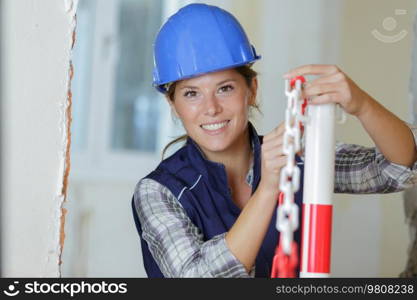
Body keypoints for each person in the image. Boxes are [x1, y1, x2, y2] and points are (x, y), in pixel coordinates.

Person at [131, 3, 417, 278]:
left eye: (225, 88)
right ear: (173, 105)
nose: (211, 108)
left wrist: (362, 106)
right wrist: (268, 188)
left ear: (251, 90)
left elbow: (398, 170)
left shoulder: (295, 156)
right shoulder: (159, 191)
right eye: (192, 93)